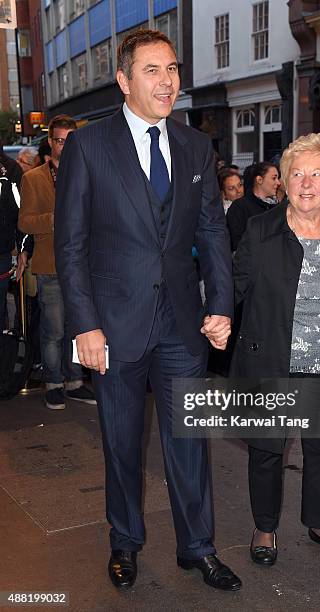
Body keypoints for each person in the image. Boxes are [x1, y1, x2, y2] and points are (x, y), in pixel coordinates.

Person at [54, 29, 241, 592]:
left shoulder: (193, 146)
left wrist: (222, 304)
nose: (168, 81)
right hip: (114, 323)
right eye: (153, 70)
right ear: (124, 80)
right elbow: (72, 244)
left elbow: (211, 232)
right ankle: (125, 542)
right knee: (121, 441)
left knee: (189, 441)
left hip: (183, 324)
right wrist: (84, 323)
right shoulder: (89, 146)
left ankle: (198, 547)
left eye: (173, 69)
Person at [230, 133, 320, 565]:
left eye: (316, 174)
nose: (306, 183)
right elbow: (232, 288)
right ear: (283, 184)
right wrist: (209, 317)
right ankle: (265, 526)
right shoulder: (260, 230)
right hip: (273, 362)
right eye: (296, 174)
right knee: (267, 450)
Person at [18, 115, 96, 410]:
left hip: (83, 264)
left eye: (71, 140)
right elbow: (24, 222)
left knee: (81, 327)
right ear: (50, 142)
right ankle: (53, 382)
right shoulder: (33, 178)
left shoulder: (86, 171)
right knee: (54, 330)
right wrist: (55, 220)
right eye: (60, 140)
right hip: (49, 265)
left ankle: (75, 381)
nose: (66, 146)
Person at [226, 162, 281, 251]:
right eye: (274, 178)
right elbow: (236, 243)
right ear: (259, 180)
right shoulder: (239, 208)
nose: (278, 182)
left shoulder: (279, 208)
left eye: (278, 178)